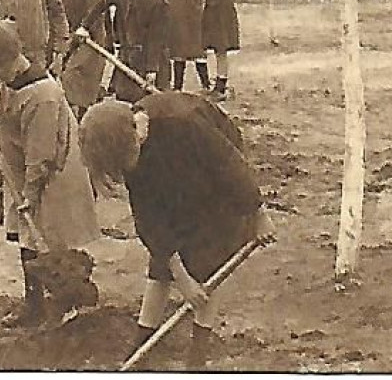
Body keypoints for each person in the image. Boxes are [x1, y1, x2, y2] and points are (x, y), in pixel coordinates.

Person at [80, 94, 275, 366]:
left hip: (215, 175)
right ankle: (143, 340)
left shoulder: (185, 123)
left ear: (135, 137)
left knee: (209, 256)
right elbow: (150, 222)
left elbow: (229, 164)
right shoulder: (130, 152)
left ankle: (198, 351)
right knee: (165, 252)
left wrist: (258, 212)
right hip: (172, 173)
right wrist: (180, 277)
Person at [0, 19, 101, 328]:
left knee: (54, 238)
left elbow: (41, 155)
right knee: (28, 237)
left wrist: (29, 194)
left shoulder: (43, 94)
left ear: (9, 59)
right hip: (23, 170)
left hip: (53, 174)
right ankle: (33, 303)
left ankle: (67, 303)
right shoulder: (3, 80)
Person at [82, 0, 171, 104]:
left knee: (151, 104)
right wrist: (84, 27)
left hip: (150, 58)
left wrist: (152, 69)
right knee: (125, 99)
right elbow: (100, 5)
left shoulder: (157, 1)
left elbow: (156, 38)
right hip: (127, 58)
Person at [49, 0, 109, 116]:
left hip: (88, 39)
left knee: (74, 77)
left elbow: (94, 13)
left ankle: (83, 117)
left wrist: (78, 34)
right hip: (63, 37)